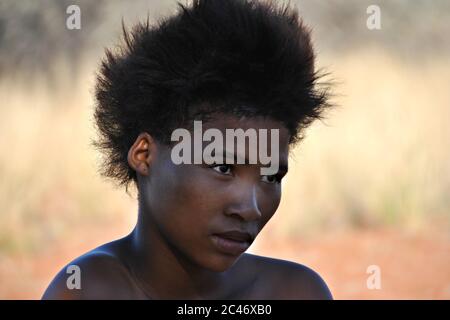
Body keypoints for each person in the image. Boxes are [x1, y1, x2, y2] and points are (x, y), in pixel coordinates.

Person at [42, 0, 334, 299]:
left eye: (271, 176)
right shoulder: (87, 291)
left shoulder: (294, 292)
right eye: (223, 167)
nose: (250, 207)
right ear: (144, 154)